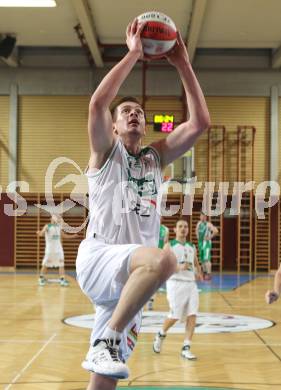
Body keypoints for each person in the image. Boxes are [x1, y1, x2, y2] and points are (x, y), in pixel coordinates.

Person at [75, 17, 210, 390]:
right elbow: (97, 102)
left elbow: (200, 123)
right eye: (126, 112)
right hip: (101, 258)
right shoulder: (106, 153)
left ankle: (108, 340)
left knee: (105, 378)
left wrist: (182, 62)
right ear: (114, 127)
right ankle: (109, 337)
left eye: (139, 112)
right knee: (166, 258)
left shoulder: (155, 158)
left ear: (145, 127)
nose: (134, 114)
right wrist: (134, 53)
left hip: (130, 282)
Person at [153, 219, 202, 360]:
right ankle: (161, 333)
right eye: (180, 226)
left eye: (186, 226)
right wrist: (178, 268)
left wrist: (199, 272)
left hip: (191, 284)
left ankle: (186, 347)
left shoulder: (191, 246)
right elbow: (160, 264)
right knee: (175, 316)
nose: (183, 229)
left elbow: (196, 263)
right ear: (175, 230)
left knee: (192, 315)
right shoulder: (169, 246)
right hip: (175, 283)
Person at [37, 214, 77, 287]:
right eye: (54, 217)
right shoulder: (47, 226)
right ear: (51, 219)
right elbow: (42, 233)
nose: (55, 218)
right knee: (45, 264)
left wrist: (73, 236)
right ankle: (41, 278)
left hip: (59, 250)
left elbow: (64, 236)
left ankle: (62, 280)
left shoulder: (59, 227)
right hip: (50, 250)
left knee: (61, 264)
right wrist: (40, 233)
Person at [147, 222, 169, 310]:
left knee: (154, 280)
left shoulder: (165, 229)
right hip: (150, 254)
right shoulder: (150, 226)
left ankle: (150, 301)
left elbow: (166, 242)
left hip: (159, 256)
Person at [196, 212, 218, 280]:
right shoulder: (199, 224)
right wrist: (198, 237)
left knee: (206, 259)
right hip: (200, 243)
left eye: (203, 216)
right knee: (202, 260)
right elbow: (196, 231)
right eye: (201, 216)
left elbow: (216, 231)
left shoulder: (208, 224)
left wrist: (210, 237)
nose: (202, 217)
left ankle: (209, 274)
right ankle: (204, 273)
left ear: (205, 217)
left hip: (206, 243)